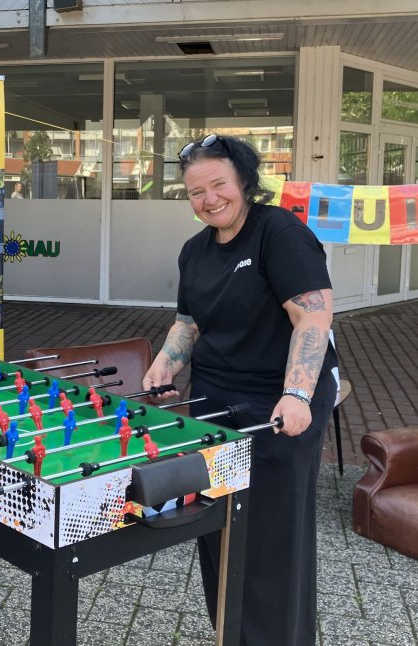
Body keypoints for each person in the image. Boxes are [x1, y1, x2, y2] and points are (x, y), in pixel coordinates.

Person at [142, 134, 337, 646]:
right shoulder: (195, 251)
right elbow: (188, 323)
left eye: (218, 185)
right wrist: (165, 364)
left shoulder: (279, 233)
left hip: (279, 406)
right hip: (212, 402)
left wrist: (296, 394)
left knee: (271, 537)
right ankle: (230, 633)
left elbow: (312, 316)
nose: (208, 200)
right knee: (217, 530)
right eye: (195, 192)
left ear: (244, 182)